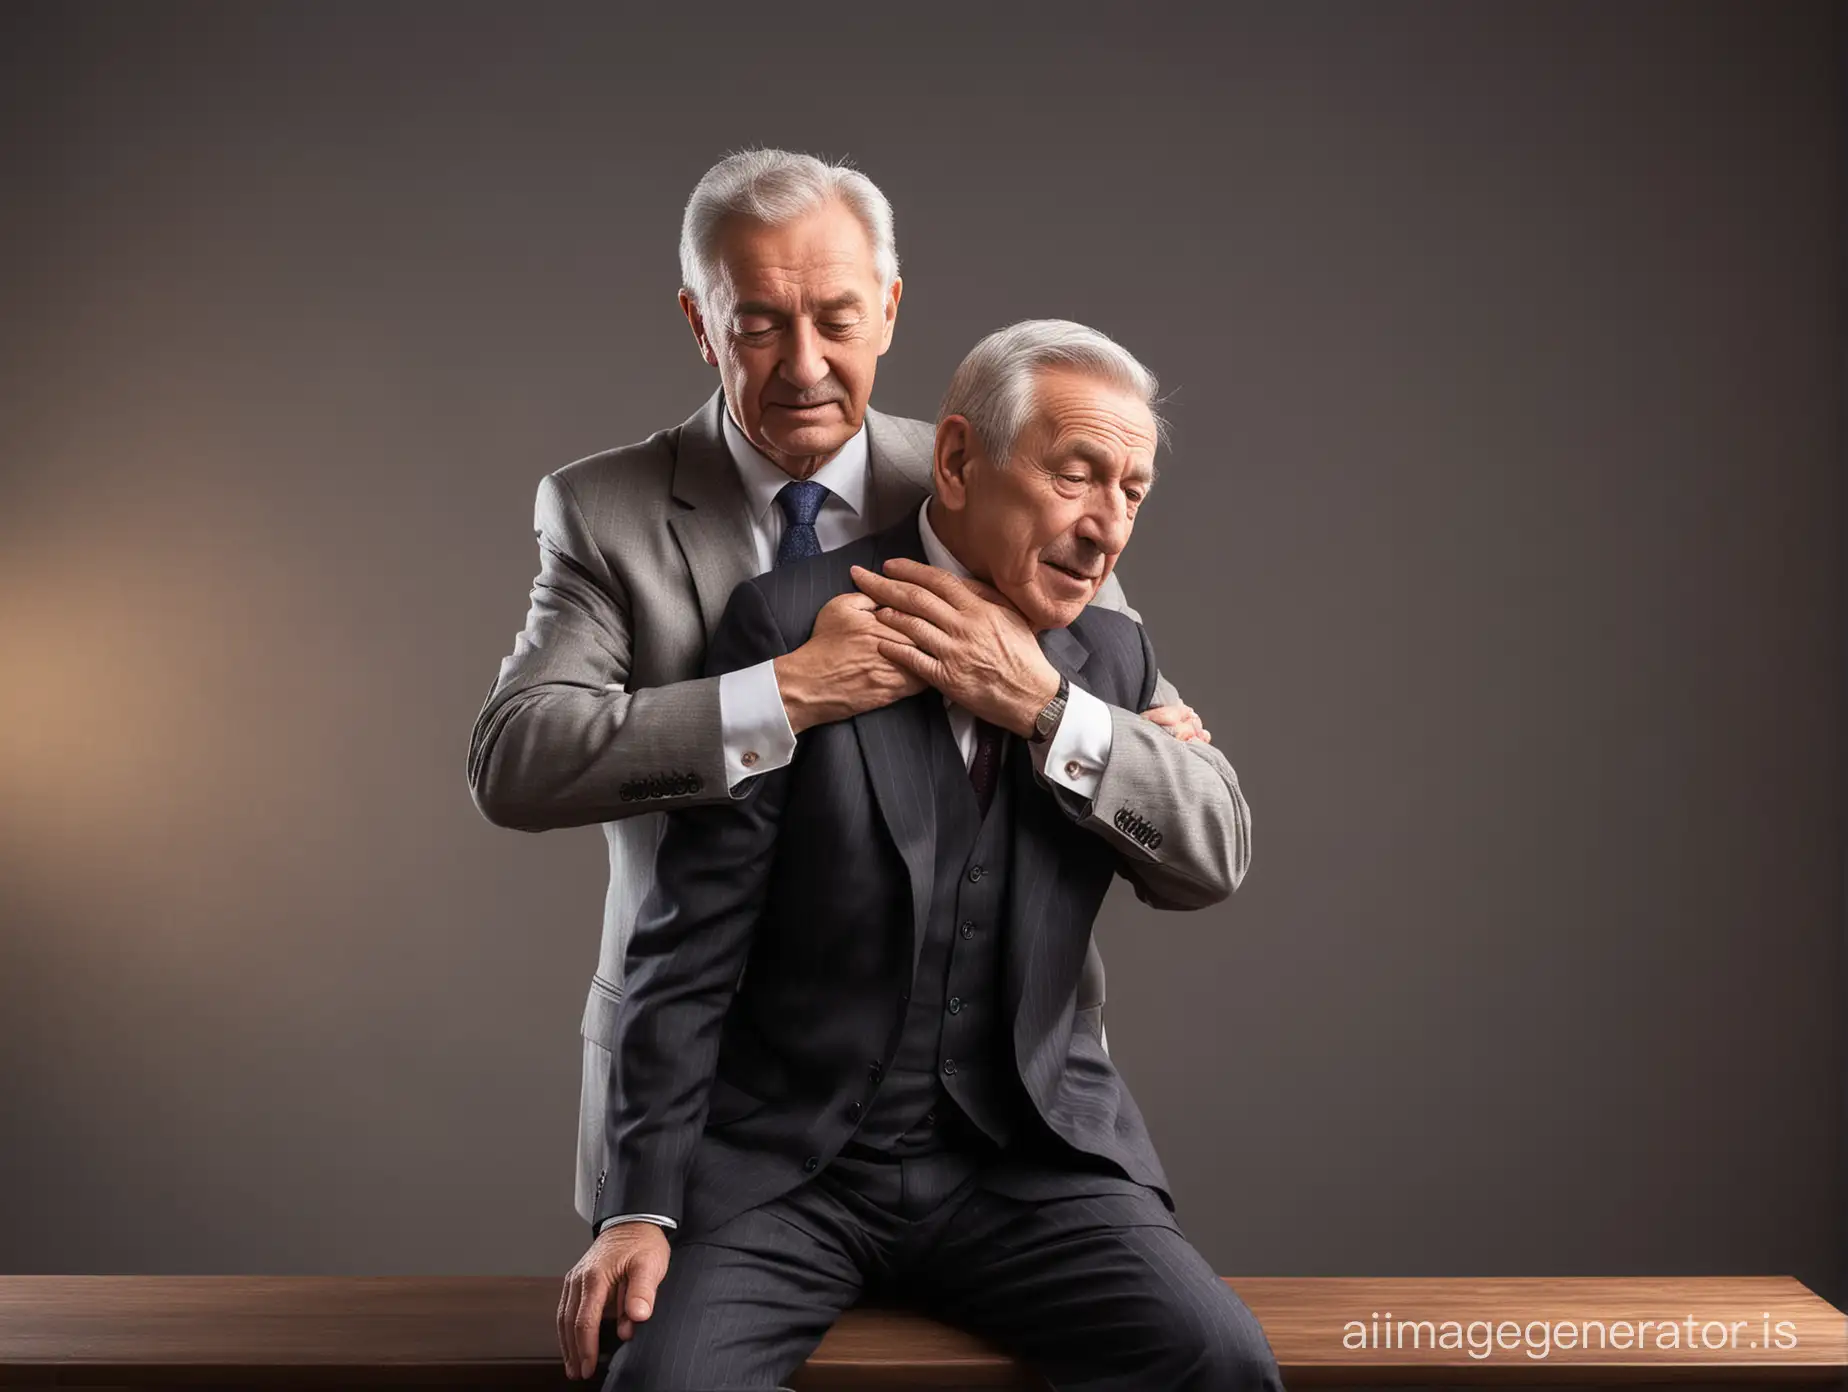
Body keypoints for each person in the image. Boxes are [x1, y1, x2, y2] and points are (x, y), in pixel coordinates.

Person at [467, 150, 1214, 1224]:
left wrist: (1080, 721)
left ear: (892, 310)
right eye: (760, 323)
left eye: (837, 318)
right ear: (699, 321)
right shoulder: (604, 512)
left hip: (990, 1119)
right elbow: (516, 761)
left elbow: (1137, 740)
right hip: (698, 1107)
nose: (804, 365)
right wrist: (782, 695)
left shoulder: (1003, 474)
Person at [560, 320, 1277, 1391]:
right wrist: (640, 1207)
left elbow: (1206, 863)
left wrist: (1046, 709)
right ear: (955, 461)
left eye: (1132, 492)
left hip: (1030, 1169)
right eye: (1077, 476)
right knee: (664, 1383)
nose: (1105, 528)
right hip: (790, 1175)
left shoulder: (1112, 658)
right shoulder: (793, 622)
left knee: (1220, 1365)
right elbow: (688, 945)